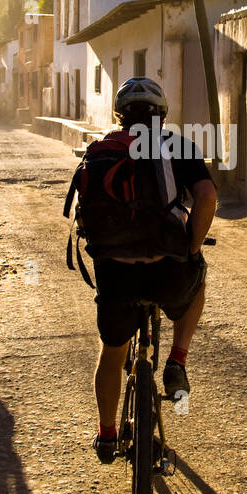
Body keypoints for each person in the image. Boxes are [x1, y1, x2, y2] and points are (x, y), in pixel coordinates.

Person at [85, 78, 218, 464]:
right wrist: (190, 247)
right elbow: (207, 197)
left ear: (119, 115)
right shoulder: (176, 145)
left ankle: (107, 437)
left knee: (112, 353)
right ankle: (177, 360)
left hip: (116, 273)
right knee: (200, 277)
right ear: (162, 114)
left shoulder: (101, 149)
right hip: (167, 270)